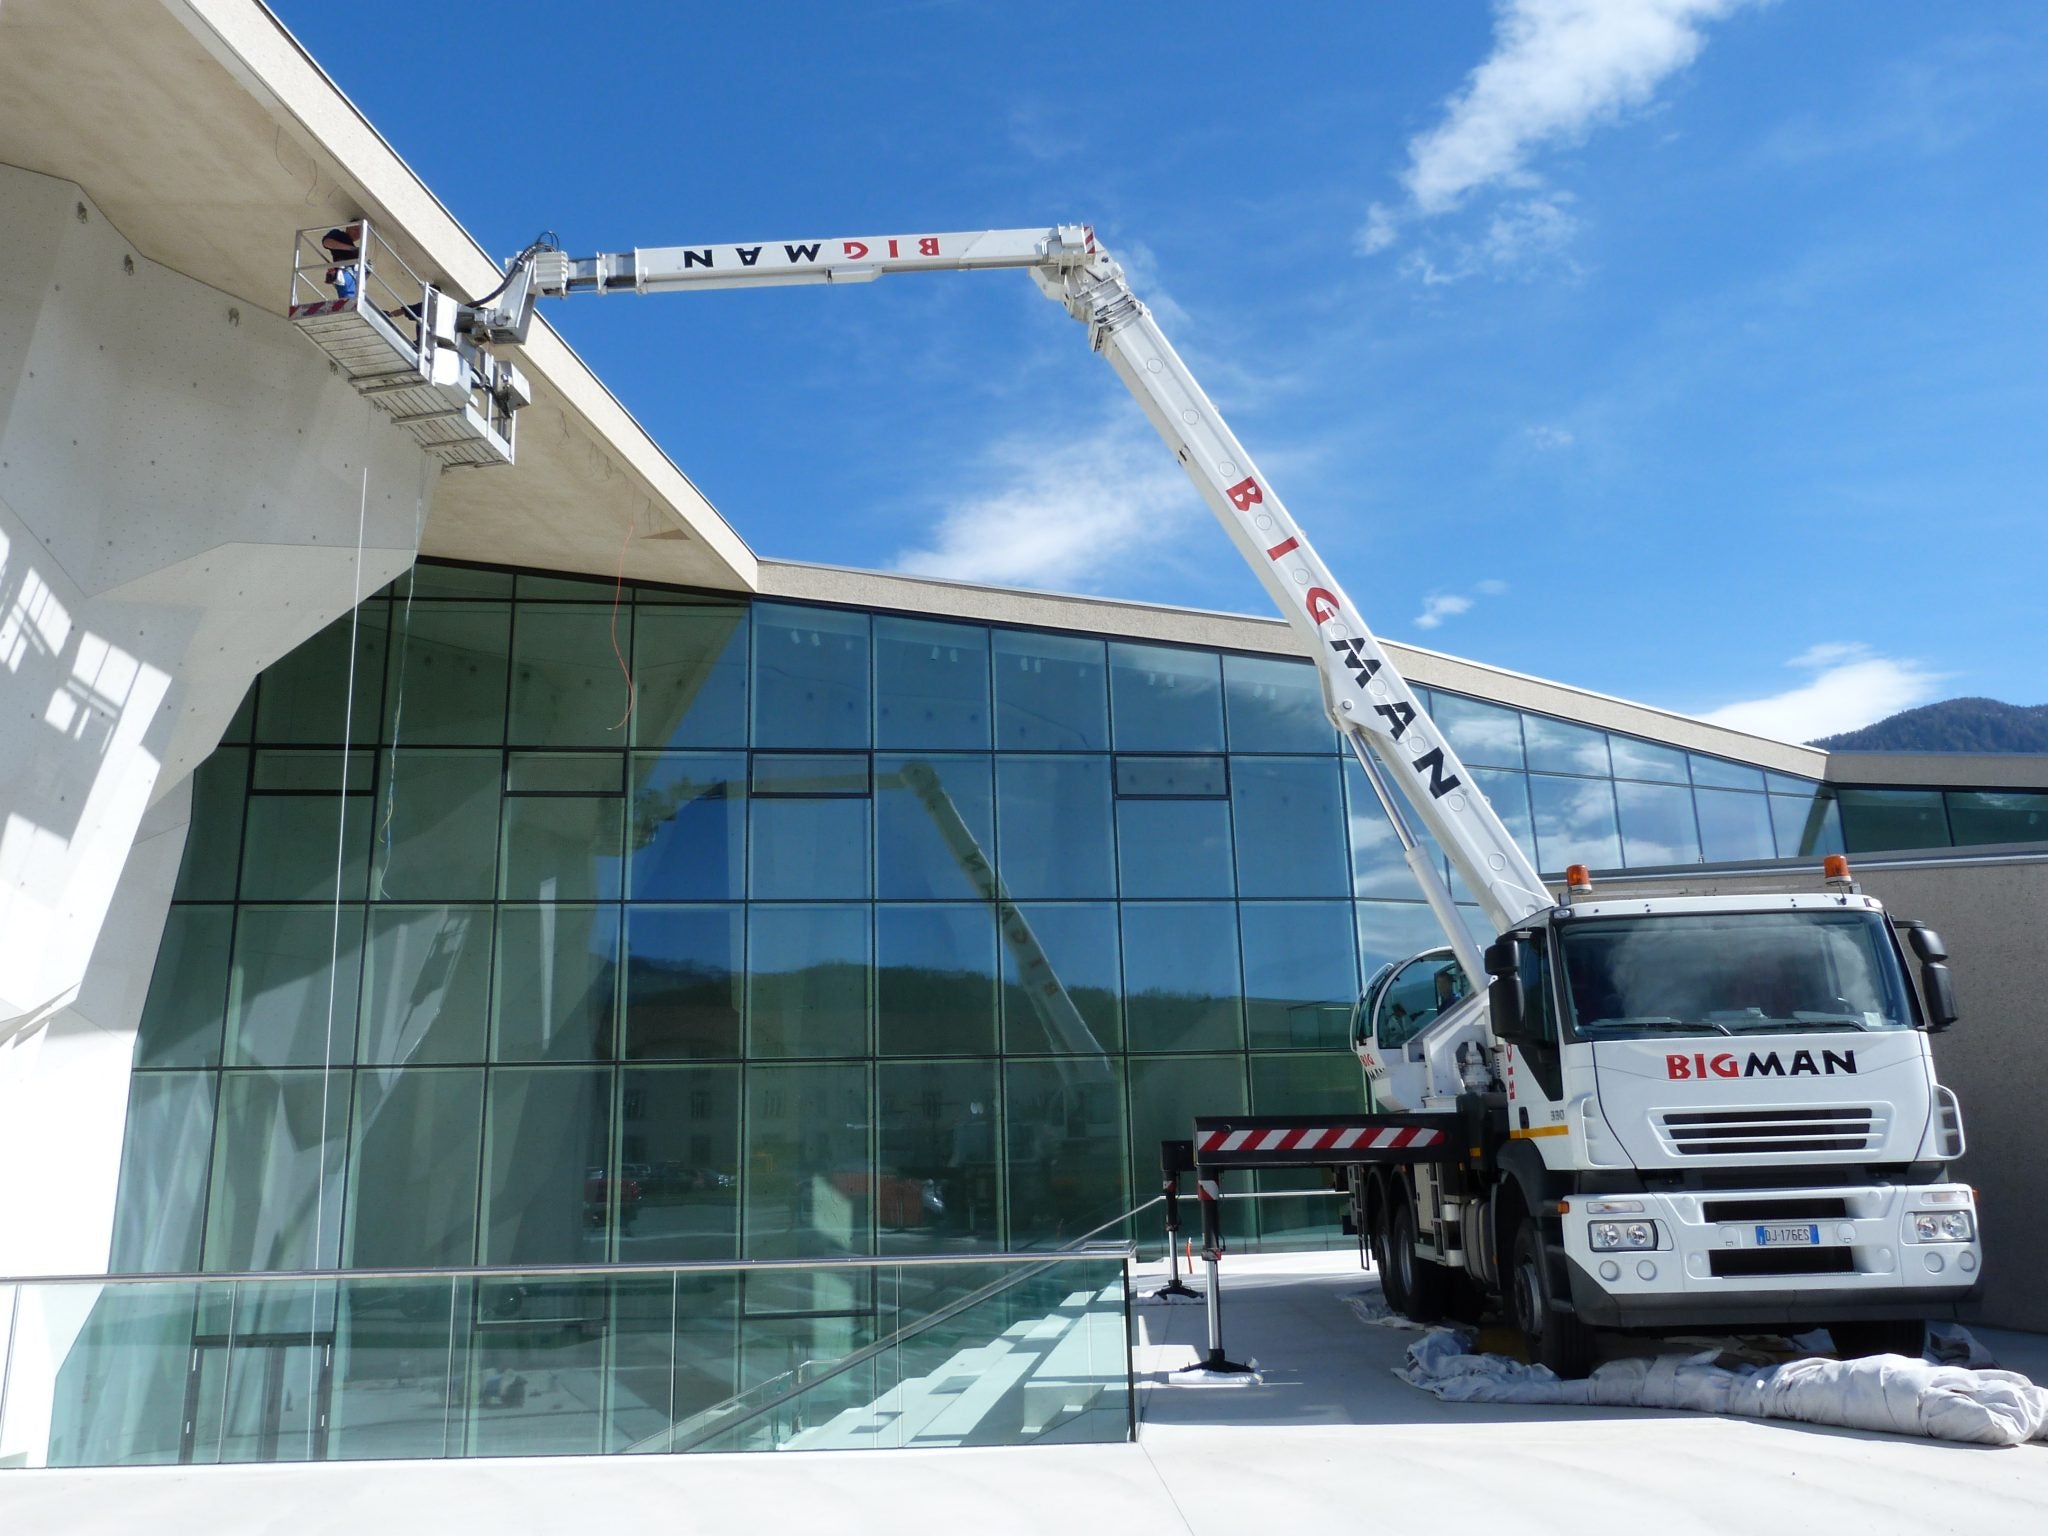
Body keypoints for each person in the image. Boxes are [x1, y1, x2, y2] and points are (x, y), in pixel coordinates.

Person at [319, 225, 362, 301]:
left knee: (357, 298)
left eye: (360, 232)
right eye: (355, 229)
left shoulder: (353, 247)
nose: (357, 233)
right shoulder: (338, 234)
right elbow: (327, 242)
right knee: (349, 299)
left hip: (353, 275)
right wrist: (351, 249)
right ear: (348, 228)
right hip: (344, 271)